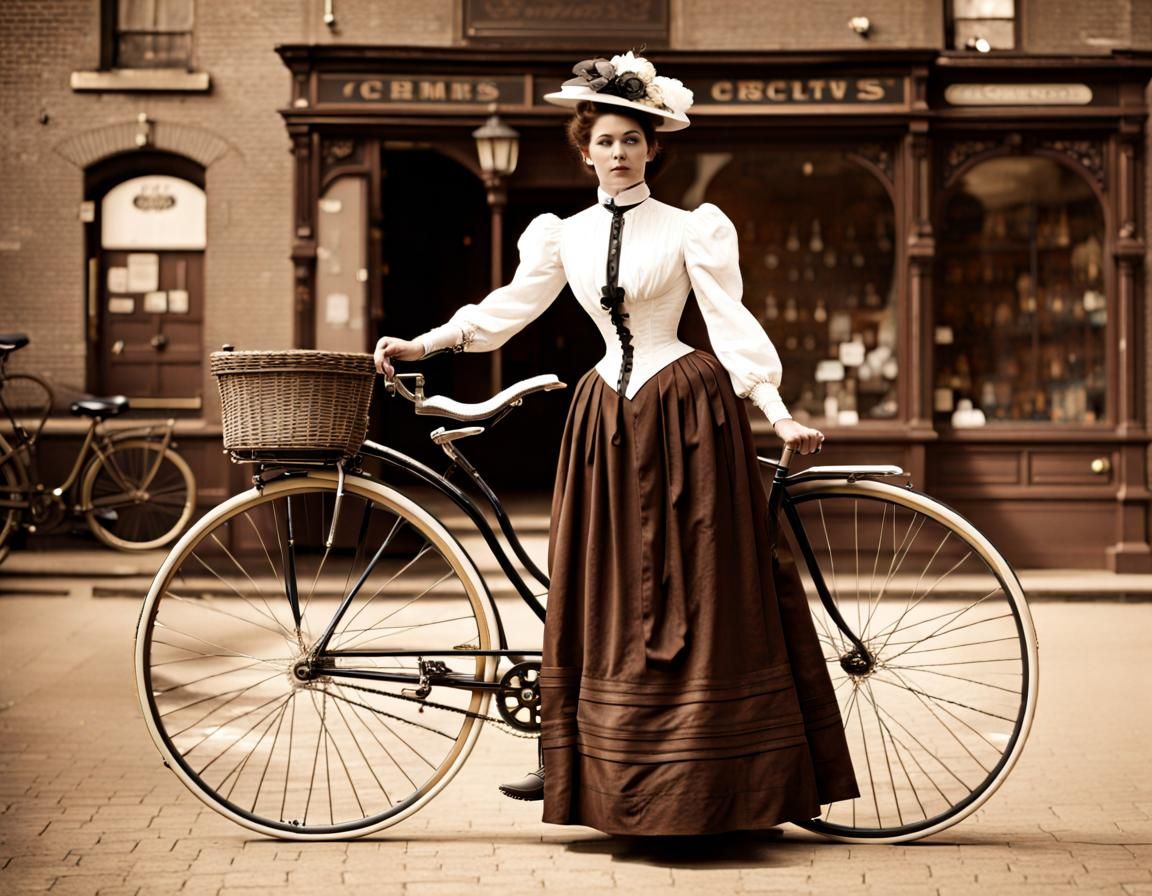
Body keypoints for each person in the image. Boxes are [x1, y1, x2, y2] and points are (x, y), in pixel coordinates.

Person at [374, 52, 858, 837]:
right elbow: (506, 310)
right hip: (603, 419)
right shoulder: (562, 234)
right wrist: (424, 345)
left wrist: (774, 409)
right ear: (585, 146)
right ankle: (580, 749)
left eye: (632, 138)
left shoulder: (690, 228)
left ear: (652, 147)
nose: (619, 151)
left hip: (688, 415)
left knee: (696, 586)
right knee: (600, 584)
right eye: (605, 138)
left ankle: (710, 774)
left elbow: (730, 320)